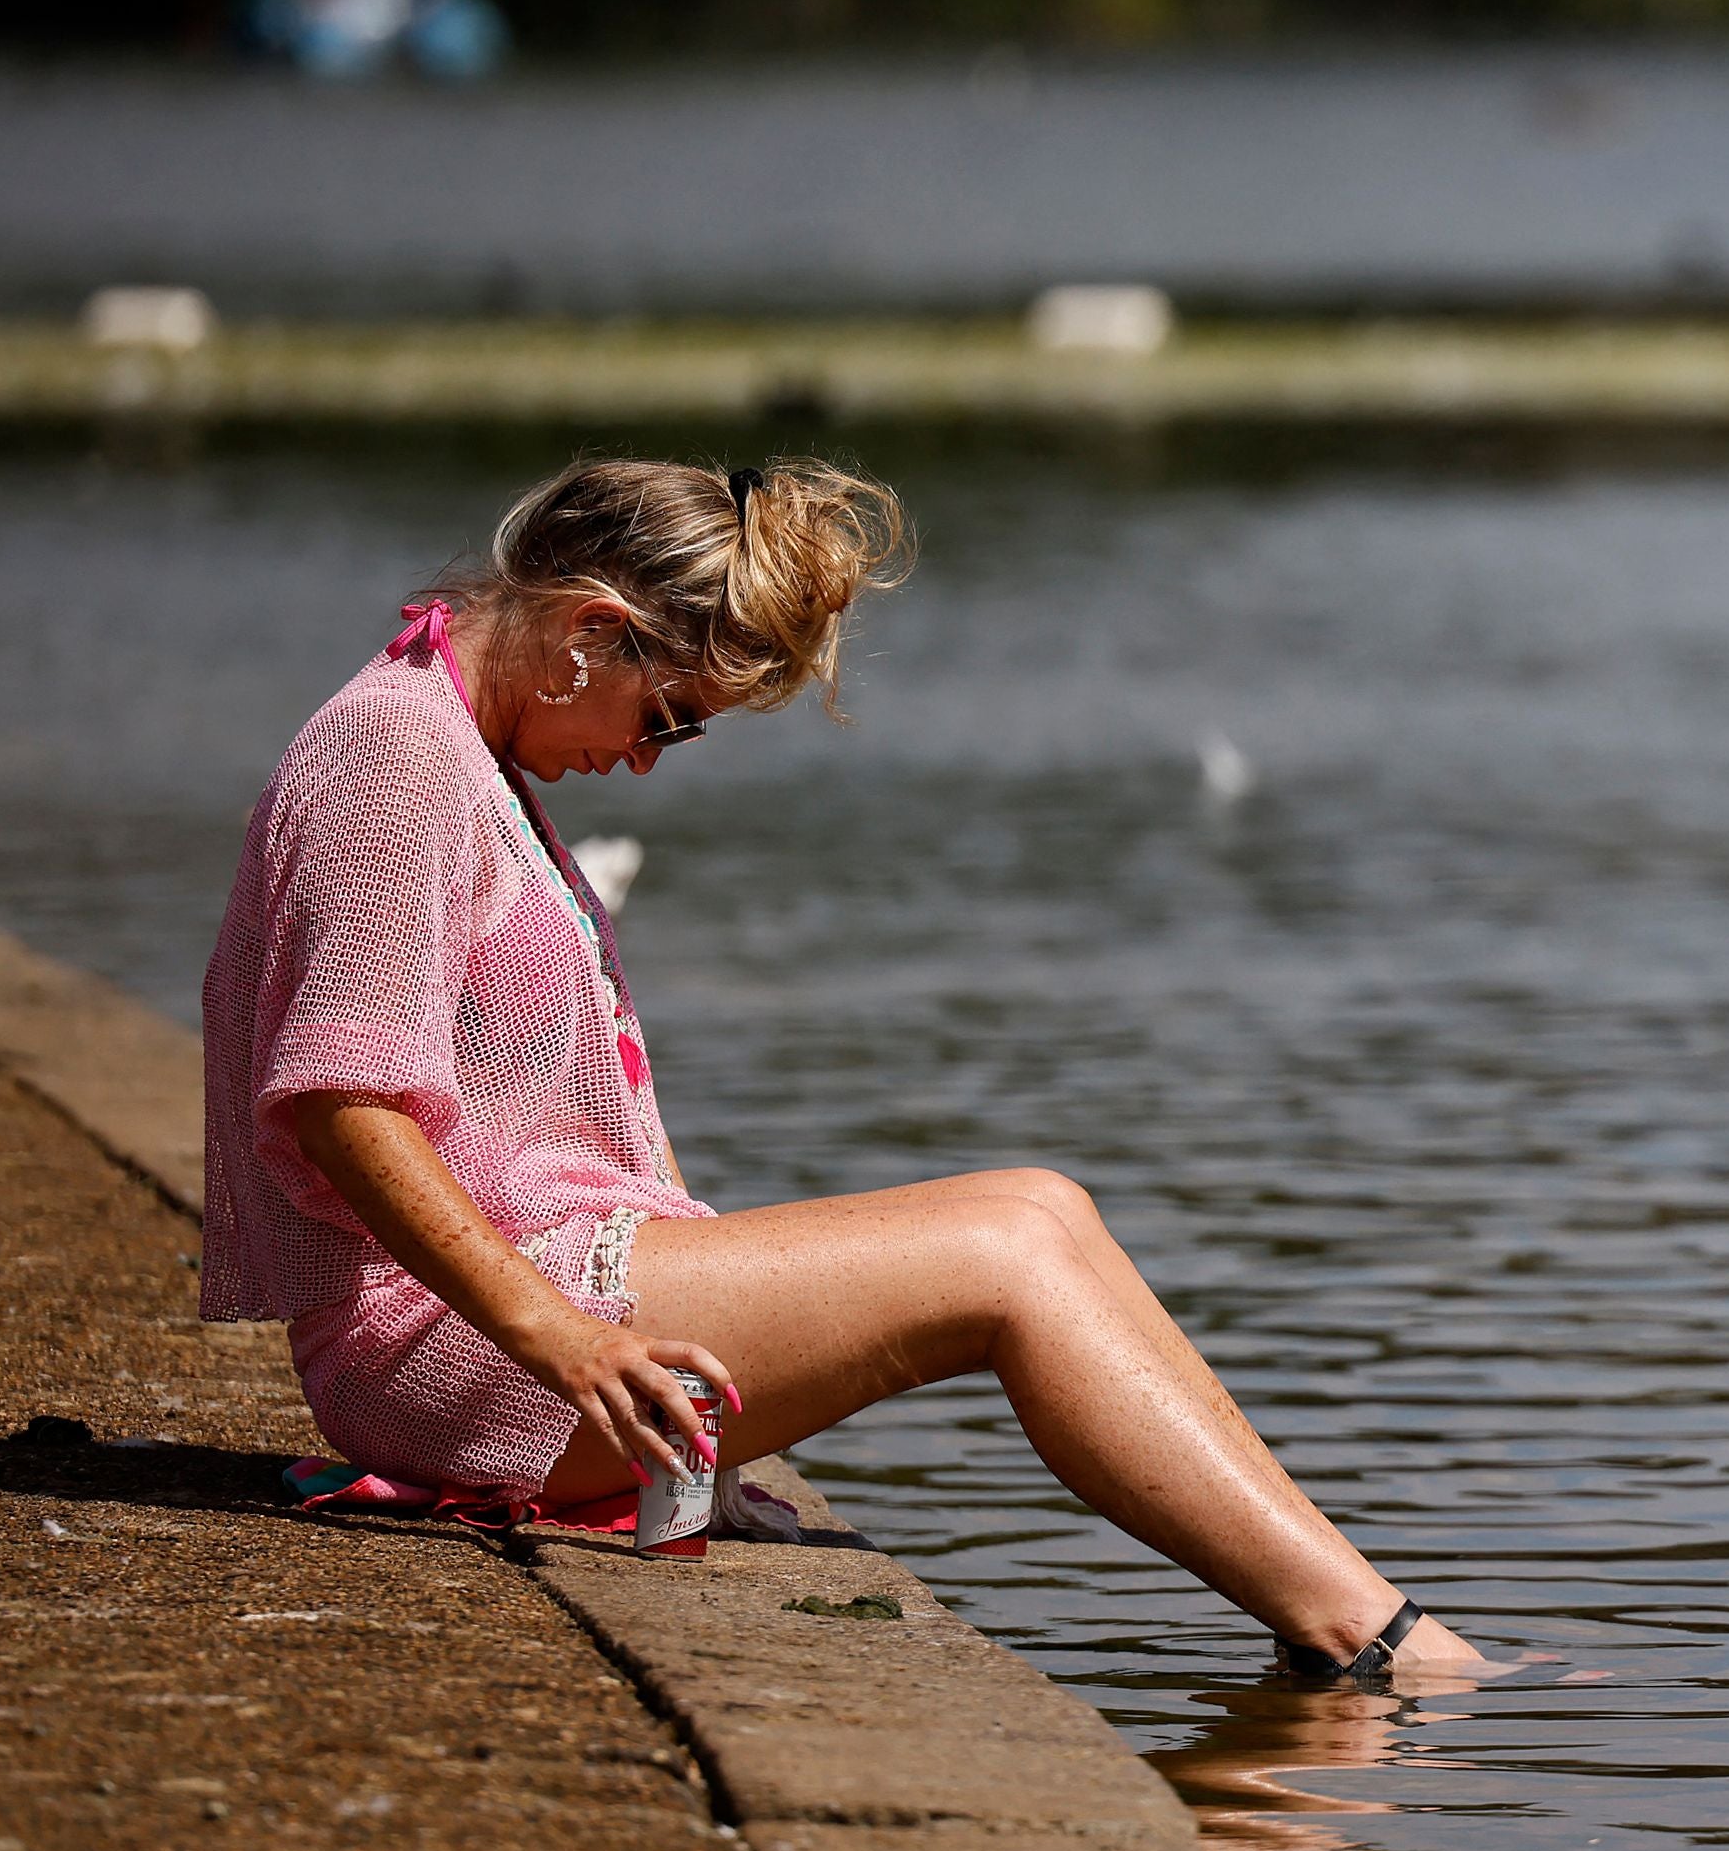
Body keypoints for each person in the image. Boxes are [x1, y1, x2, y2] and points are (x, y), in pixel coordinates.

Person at [197, 455, 1476, 1681]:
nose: (642, 760)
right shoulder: (397, 754)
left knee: (1042, 1206)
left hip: (531, 1307)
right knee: (1007, 1261)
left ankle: (1364, 1617)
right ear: (593, 627)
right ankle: (1369, 1639)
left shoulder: (460, 749)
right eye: (668, 720)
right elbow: (338, 1103)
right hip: (451, 1357)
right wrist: (566, 1341)